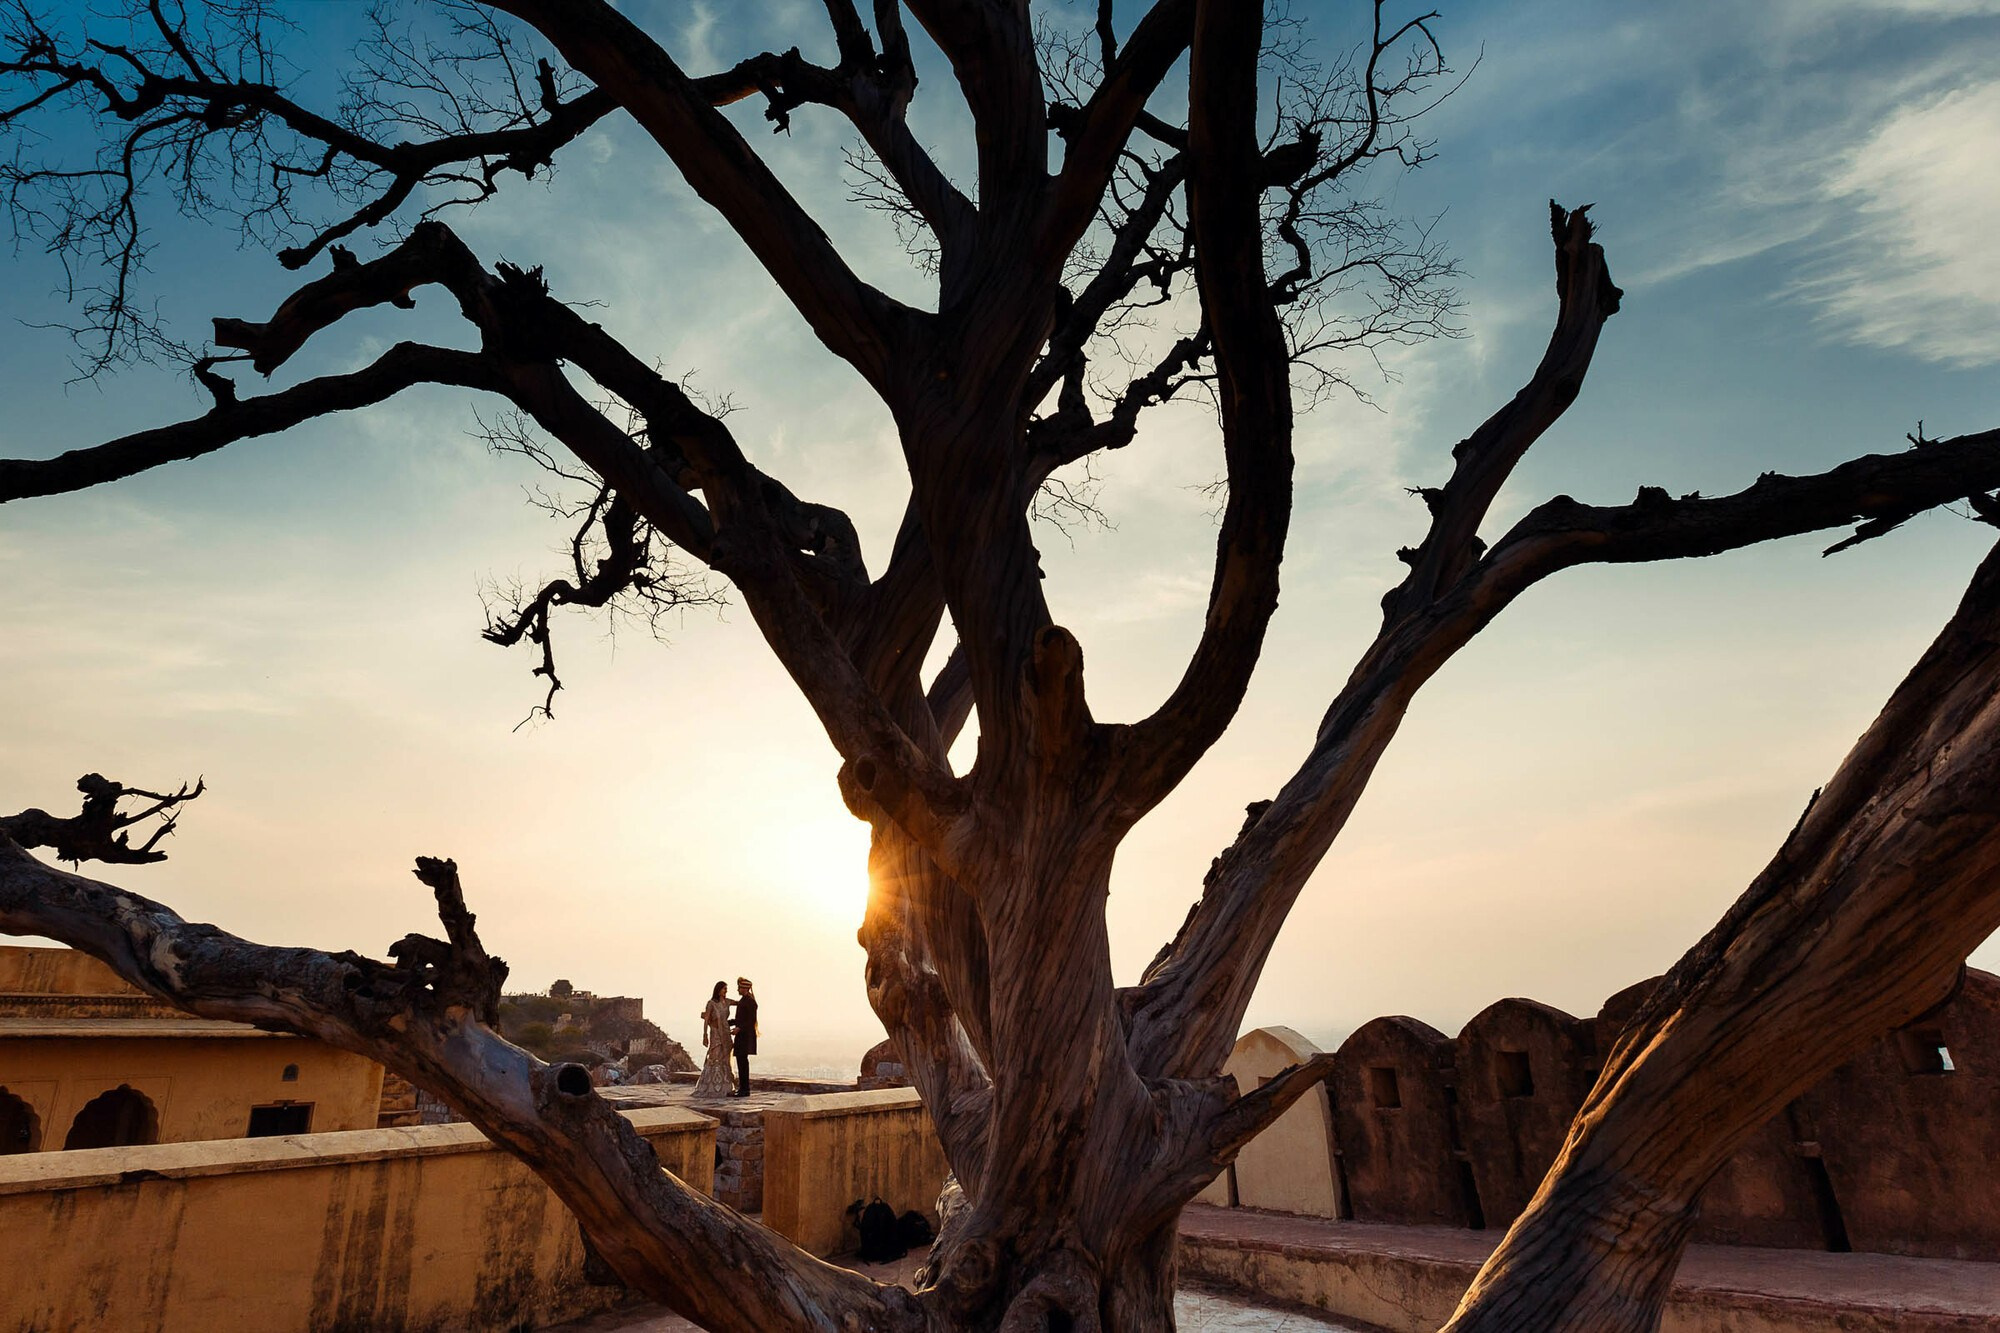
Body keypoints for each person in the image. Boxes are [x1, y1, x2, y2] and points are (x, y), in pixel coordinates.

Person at [692, 981, 733, 1099]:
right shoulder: (711, 1003)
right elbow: (706, 1019)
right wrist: (704, 1035)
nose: (726, 990)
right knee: (715, 1057)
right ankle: (712, 1086)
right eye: (724, 988)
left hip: (725, 1033)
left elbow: (742, 1002)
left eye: (726, 989)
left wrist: (750, 992)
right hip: (715, 1034)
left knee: (724, 1057)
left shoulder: (727, 1002)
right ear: (718, 989)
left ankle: (725, 1085)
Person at [729, 977, 758, 1097]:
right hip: (742, 1036)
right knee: (741, 1062)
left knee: (743, 1063)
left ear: (745, 988)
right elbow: (741, 1019)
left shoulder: (750, 1002)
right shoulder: (744, 1000)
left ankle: (745, 1089)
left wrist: (739, 1028)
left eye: (740, 987)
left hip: (745, 1036)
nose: (738, 990)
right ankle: (743, 1088)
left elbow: (750, 1021)